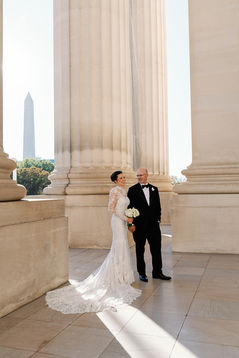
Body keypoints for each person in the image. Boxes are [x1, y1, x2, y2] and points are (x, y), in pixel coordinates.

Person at [46, 171, 141, 314]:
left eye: (124, 177)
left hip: (122, 221)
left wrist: (129, 218)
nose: (123, 180)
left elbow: (125, 208)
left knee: (122, 246)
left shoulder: (124, 191)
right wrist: (125, 218)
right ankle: (116, 275)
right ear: (115, 181)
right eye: (120, 178)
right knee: (119, 245)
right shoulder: (114, 191)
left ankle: (123, 275)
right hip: (117, 221)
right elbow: (111, 208)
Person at [127, 168, 171, 282]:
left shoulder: (154, 189)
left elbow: (158, 207)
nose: (139, 177)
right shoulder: (132, 190)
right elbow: (129, 208)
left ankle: (157, 272)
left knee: (156, 249)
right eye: (138, 175)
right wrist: (130, 224)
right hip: (139, 226)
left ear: (147, 175)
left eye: (141, 175)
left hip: (153, 226)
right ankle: (142, 273)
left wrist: (158, 220)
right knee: (140, 250)